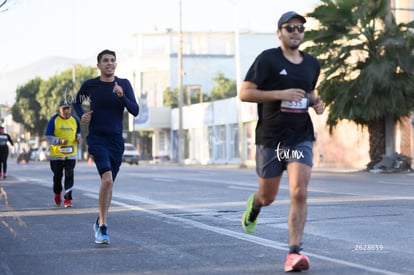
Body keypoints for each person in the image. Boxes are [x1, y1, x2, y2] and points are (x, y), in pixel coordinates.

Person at [239, 11, 325, 272]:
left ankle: (293, 253)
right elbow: (245, 93)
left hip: (299, 137)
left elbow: (309, 93)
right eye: (290, 28)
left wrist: (316, 102)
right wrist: (280, 94)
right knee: (268, 196)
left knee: (299, 191)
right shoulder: (267, 59)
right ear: (280, 32)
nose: (296, 32)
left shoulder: (312, 64)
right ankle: (254, 206)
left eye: (300, 28)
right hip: (271, 139)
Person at [73, 49, 139, 244]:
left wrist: (122, 97)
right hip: (96, 138)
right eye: (105, 61)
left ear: (116, 64)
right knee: (107, 180)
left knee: (108, 185)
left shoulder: (124, 84)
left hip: (116, 142)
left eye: (112, 60)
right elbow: (76, 101)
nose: (109, 63)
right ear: (99, 65)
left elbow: (135, 110)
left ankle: (99, 220)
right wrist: (82, 115)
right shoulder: (90, 85)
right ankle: (103, 227)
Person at [45, 100, 82, 207]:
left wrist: (79, 138)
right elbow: (48, 137)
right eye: (64, 109)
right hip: (57, 156)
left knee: (69, 175)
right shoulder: (53, 120)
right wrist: (59, 141)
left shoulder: (75, 120)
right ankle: (57, 192)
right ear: (59, 110)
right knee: (57, 177)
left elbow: (78, 132)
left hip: (71, 154)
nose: (66, 111)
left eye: (68, 109)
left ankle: (68, 199)